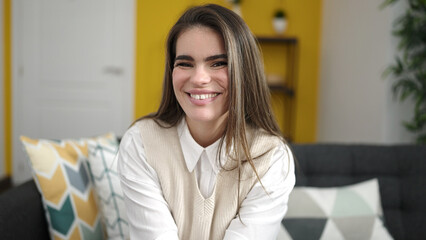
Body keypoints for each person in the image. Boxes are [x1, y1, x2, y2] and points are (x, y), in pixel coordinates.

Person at [117, 4, 295, 240]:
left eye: (218, 63)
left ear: (244, 71)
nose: (199, 78)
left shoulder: (271, 158)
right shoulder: (141, 143)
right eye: (185, 63)